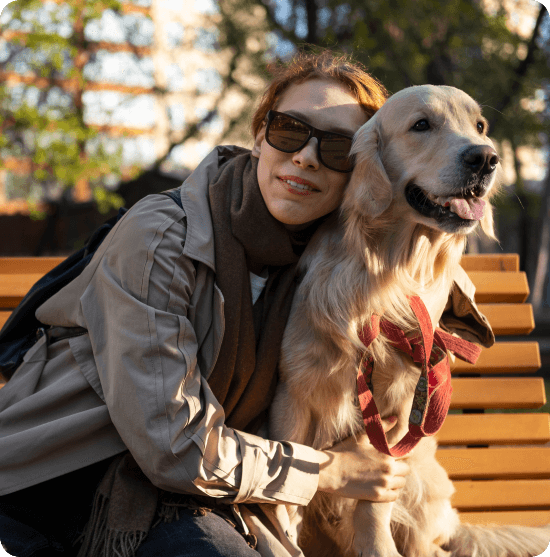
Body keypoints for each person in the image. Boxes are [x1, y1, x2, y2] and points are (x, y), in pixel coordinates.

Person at [0, 51, 410, 557]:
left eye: (337, 148)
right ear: (259, 137)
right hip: (54, 492)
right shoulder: (163, 238)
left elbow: (430, 268)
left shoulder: (326, 264)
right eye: (288, 130)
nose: (305, 156)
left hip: (194, 498)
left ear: (361, 171)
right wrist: (328, 471)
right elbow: (173, 443)